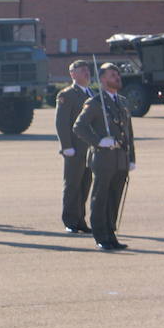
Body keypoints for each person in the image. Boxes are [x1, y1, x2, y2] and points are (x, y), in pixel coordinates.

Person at [73, 63, 136, 250]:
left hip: (120, 158)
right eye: (112, 75)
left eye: (117, 74)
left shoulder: (123, 102)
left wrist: (131, 158)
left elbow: (129, 132)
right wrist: (99, 141)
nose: (117, 77)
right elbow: (79, 127)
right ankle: (101, 236)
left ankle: (111, 234)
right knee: (100, 198)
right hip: (103, 158)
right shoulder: (95, 103)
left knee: (114, 198)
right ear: (102, 80)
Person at [55, 60, 95, 233]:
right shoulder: (67, 95)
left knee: (85, 184)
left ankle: (80, 219)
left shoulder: (92, 93)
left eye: (87, 70)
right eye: (82, 70)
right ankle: (70, 221)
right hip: (74, 147)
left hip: (90, 148)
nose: (86, 73)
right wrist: (66, 146)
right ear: (73, 74)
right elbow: (61, 123)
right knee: (72, 185)